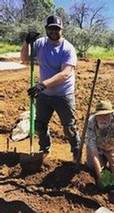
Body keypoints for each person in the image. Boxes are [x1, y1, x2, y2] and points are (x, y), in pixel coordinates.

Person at [20, 15, 80, 161]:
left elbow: (65, 73)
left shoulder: (68, 48)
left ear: (62, 30)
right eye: (50, 28)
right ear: (46, 29)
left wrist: (42, 84)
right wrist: (27, 43)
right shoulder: (40, 44)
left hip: (63, 94)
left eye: (56, 29)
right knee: (40, 125)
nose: (53, 31)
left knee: (69, 128)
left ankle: (76, 153)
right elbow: (25, 59)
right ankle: (44, 149)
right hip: (44, 95)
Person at [85, 100, 114, 189]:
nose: (102, 118)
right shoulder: (91, 122)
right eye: (100, 115)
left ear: (111, 114)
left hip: (112, 148)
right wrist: (99, 176)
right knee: (91, 167)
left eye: (106, 115)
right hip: (98, 148)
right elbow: (93, 150)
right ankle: (103, 160)